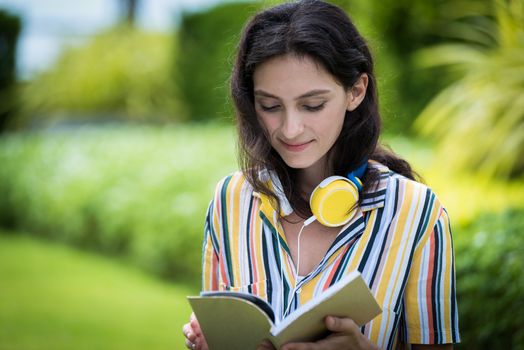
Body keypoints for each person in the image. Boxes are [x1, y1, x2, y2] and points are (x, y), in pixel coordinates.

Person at [183, 0, 460, 349]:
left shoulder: (417, 213)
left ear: (356, 91)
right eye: (269, 106)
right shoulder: (231, 200)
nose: (290, 129)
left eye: (312, 105)